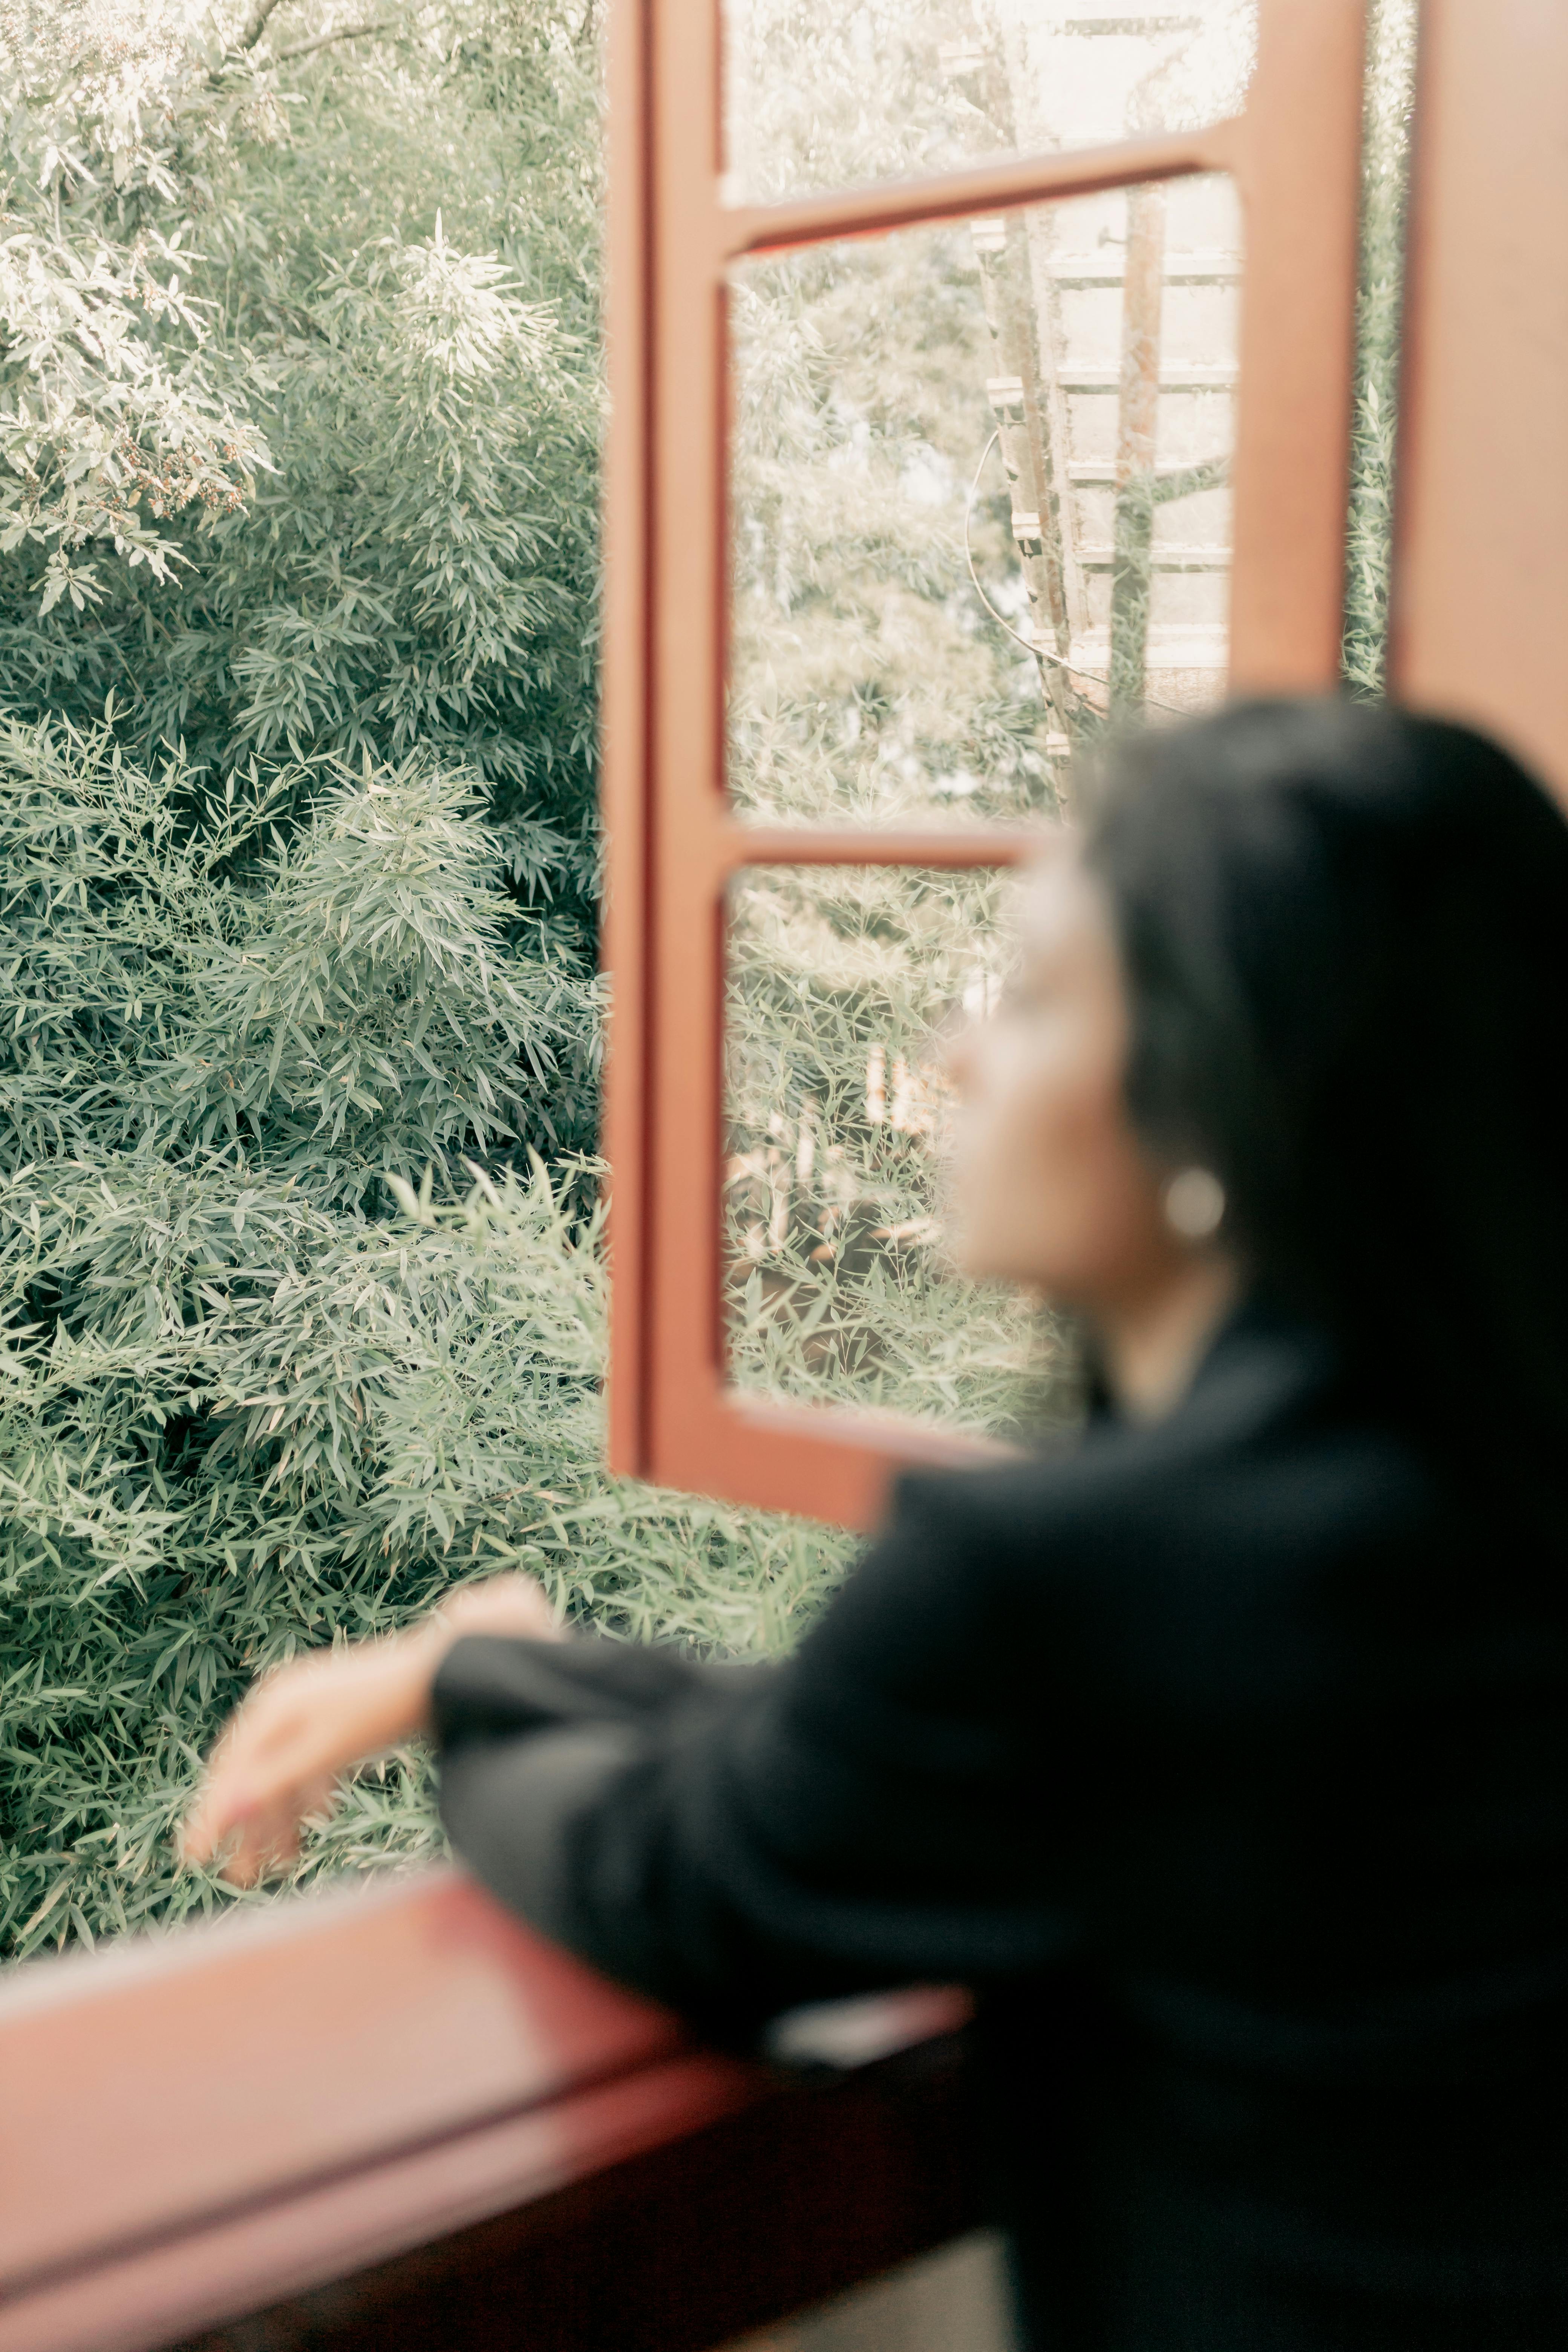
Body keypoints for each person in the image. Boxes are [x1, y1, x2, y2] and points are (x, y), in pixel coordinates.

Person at [182, 698, 1568, 2350]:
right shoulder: (1452, 1496)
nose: (958, 1056)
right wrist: (481, 1671)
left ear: (1219, 1083)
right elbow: (889, 1750)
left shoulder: (1076, 1578)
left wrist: (470, 1712)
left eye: (1034, 996)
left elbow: (675, 1879)